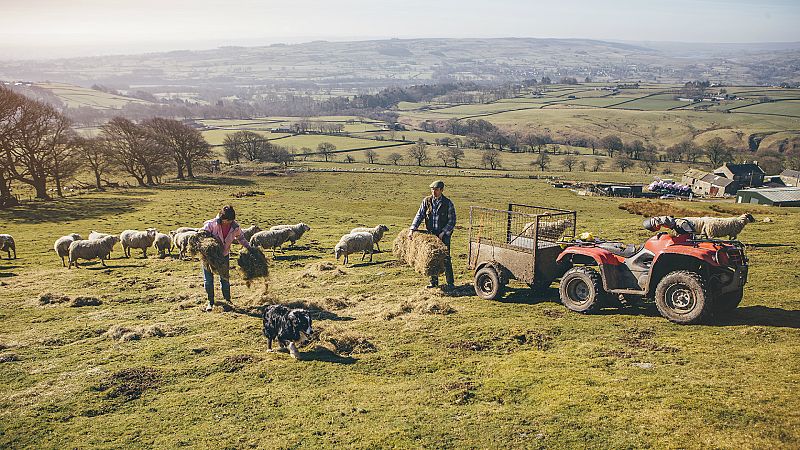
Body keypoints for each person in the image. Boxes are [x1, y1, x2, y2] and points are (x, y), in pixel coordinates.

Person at [200, 205, 253, 311]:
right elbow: (201, 236)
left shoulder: (235, 227)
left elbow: (241, 238)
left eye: (231, 220)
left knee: (225, 279)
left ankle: (228, 300)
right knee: (208, 280)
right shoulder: (211, 224)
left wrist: (249, 248)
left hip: (224, 256)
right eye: (227, 220)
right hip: (209, 257)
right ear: (222, 217)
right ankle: (210, 302)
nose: (228, 222)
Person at [408, 180, 456, 290]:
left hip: (444, 235)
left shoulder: (448, 203)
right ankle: (433, 282)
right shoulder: (427, 201)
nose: (434, 192)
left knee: (446, 258)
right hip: (431, 235)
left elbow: (452, 221)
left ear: (442, 190)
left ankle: (450, 282)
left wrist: (443, 233)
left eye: (436, 190)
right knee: (431, 258)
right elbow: (419, 215)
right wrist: (412, 229)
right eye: (432, 189)